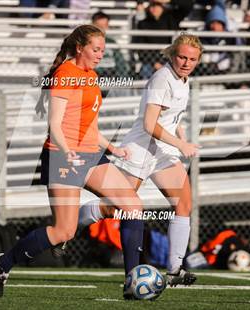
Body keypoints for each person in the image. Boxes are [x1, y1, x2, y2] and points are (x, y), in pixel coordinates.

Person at [0, 25, 144, 298]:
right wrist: (67, 150)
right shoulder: (65, 75)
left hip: (91, 155)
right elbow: (55, 125)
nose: (99, 55)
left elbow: (89, 127)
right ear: (80, 47)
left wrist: (112, 148)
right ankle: (2, 264)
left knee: (133, 205)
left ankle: (133, 280)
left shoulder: (91, 76)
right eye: (96, 50)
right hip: (62, 156)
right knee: (63, 231)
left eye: (103, 51)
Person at [76, 34, 204, 287]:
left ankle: (175, 270)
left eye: (192, 59)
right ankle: (71, 224)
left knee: (184, 203)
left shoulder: (184, 79)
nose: (186, 63)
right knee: (116, 208)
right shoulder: (162, 78)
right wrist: (180, 144)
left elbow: (171, 116)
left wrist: (180, 134)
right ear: (172, 54)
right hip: (140, 148)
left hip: (162, 152)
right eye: (182, 57)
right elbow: (149, 124)